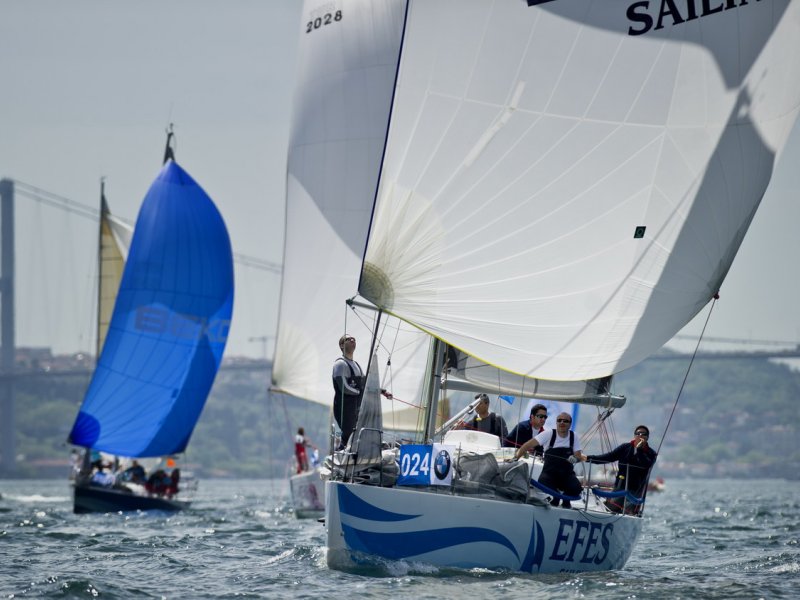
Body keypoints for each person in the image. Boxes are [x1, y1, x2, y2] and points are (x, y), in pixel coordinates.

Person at [514, 411, 586, 508]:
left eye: (565, 421)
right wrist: (516, 458)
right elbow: (527, 445)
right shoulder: (549, 434)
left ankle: (565, 500)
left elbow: (578, 455)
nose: (562, 423)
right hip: (549, 473)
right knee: (542, 482)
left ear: (570, 424)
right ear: (556, 422)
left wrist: (575, 458)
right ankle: (555, 499)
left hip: (567, 475)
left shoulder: (574, 436)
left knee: (577, 488)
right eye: (559, 420)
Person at [586, 425, 657, 514]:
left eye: (644, 434)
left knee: (629, 512)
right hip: (619, 487)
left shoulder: (652, 454)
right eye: (638, 433)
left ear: (647, 437)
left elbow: (647, 464)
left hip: (635, 491)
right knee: (609, 509)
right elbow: (608, 457)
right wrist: (588, 458)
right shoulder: (625, 448)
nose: (640, 436)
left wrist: (639, 450)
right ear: (634, 436)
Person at [332, 334, 364, 449]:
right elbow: (343, 387)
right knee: (347, 437)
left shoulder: (357, 366)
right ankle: (339, 458)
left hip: (356, 410)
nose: (352, 340)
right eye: (348, 339)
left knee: (358, 437)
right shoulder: (340, 364)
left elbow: (365, 385)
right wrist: (359, 392)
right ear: (341, 345)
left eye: (354, 339)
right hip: (344, 410)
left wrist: (382, 391)